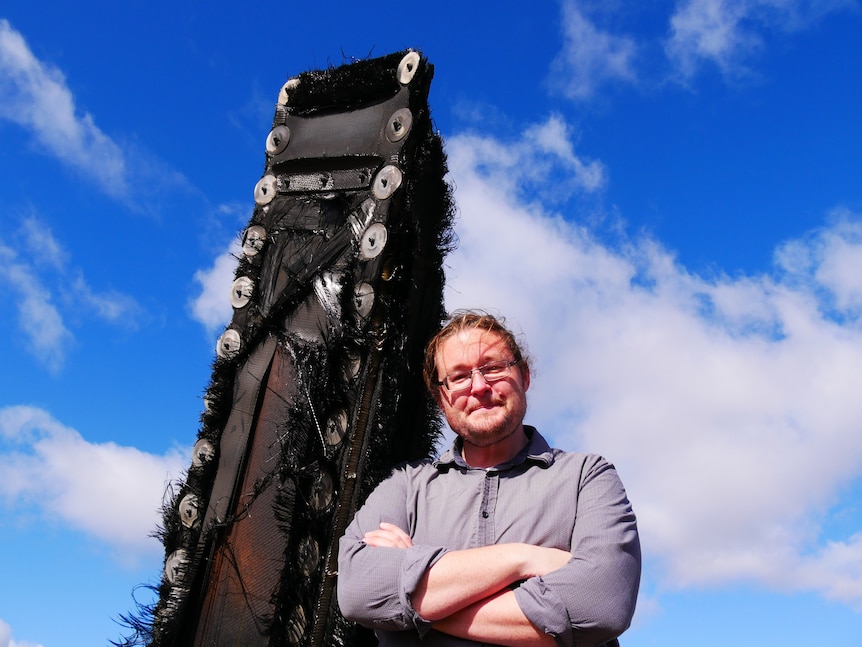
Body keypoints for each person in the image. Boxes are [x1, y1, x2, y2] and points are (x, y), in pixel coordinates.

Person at [337, 310, 640, 647]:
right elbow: (358, 590)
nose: (479, 386)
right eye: (460, 376)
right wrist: (522, 559)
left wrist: (417, 600)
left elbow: (600, 606)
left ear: (523, 375)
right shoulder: (404, 486)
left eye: (493, 367)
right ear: (441, 397)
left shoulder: (588, 477)